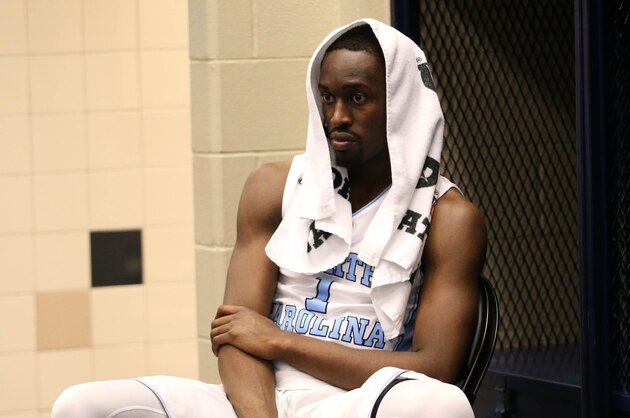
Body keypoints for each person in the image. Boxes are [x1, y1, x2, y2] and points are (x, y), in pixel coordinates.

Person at [52, 19, 486, 418]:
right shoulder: (273, 187)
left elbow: (437, 366)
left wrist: (280, 340)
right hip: (258, 398)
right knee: (80, 405)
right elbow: (236, 335)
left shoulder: (447, 217)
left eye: (357, 98)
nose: (336, 117)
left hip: (359, 401)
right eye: (327, 97)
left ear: (401, 104)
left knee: (442, 405)